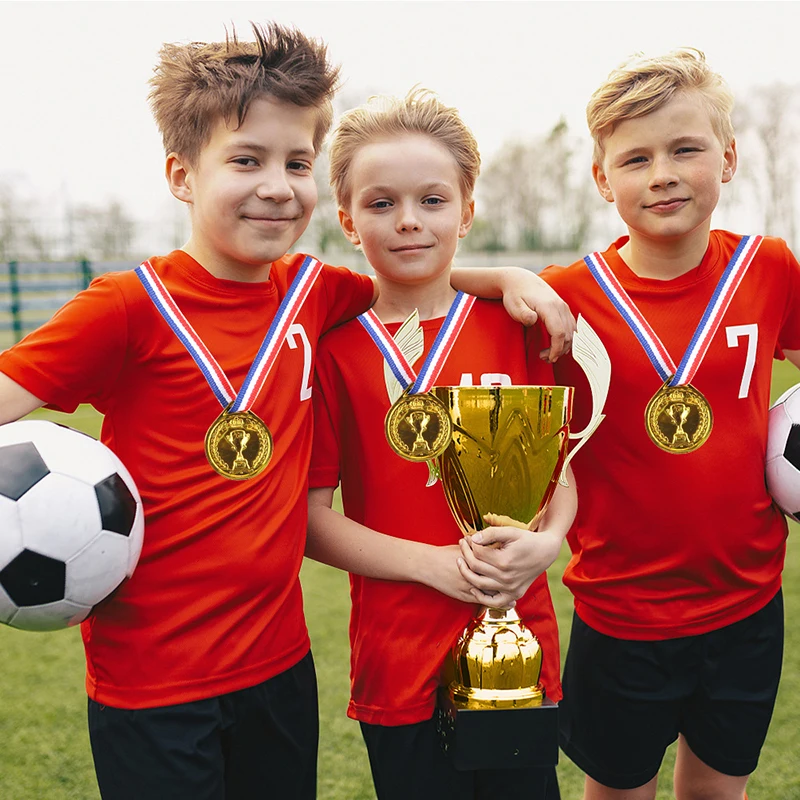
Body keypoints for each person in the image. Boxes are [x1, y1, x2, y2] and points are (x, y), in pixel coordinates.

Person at [0, 22, 575, 800]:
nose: (277, 185)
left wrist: (505, 273)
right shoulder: (126, 308)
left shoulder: (313, 294)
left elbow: (411, 273)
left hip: (278, 671)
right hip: (153, 680)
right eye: (246, 159)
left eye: (296, 162)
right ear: (181, 174)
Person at [540, 48, 800, 800]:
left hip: (749, 602)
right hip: (621, 611)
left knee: (720, 790)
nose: (662, 173)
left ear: (727, 160)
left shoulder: (770, 267)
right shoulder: (565, 297)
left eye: (685, 149)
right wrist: (509, 279)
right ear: (602, 179)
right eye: (636, 158)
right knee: (619, 789)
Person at [306, 88, 576, 800]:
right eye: (381, 203)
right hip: (397, 657)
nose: (408, 222)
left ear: (467, 211)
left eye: (431, 200)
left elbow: (561, 475)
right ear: (345, 221)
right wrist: (430, 565)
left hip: (519, 639)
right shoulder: (330, 350)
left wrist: (550, 543)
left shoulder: (516, 323)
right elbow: (309, 517)